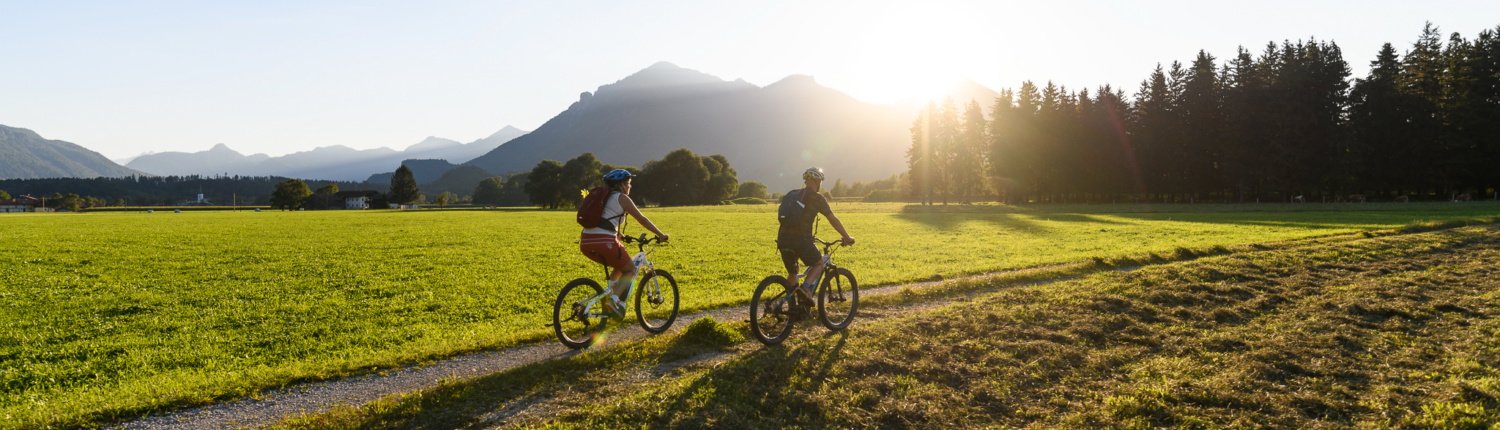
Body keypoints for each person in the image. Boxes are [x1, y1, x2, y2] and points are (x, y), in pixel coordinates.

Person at [580, 169, 669, 319]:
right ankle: (613, 301)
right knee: (630, 269)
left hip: (586, 242)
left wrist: (616, 235)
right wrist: (661, 235)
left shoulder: (603, 198)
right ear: (622, 185)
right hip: (604, 242)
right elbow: (643, 219)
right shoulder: (621, 198)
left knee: (619, 265)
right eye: (629, 183)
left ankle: (611, 294)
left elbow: (603, 220)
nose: (630, 186)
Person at [778, 167, 855, 303]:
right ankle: (806, 288)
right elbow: (833, 219)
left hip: (783, 239)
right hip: (800, 240)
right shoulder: (817, 197)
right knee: (819, 264)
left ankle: (793, 308)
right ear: (818, 181)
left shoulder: (793, 194)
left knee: (792, 272)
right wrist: (847, 237)